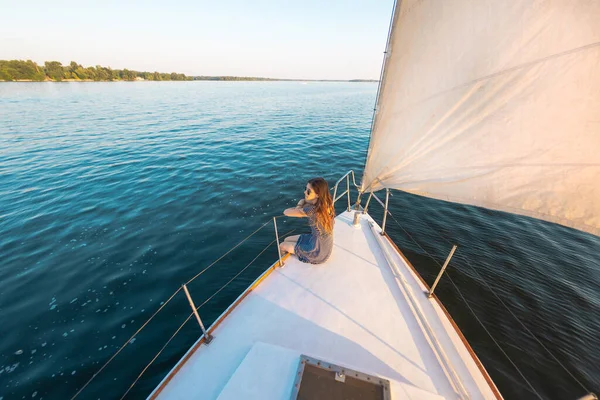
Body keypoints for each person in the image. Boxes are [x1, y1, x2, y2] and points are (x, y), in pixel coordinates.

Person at [279, 177, 335, 264]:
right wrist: (305, 203)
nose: (305, 192)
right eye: (305, 189)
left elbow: (286, 212)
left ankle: (283, 264)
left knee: (282, 246)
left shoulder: (312, 210)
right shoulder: (326, 204)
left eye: (308, 191)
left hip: (317, 251)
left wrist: (300, 203)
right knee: (287, 239)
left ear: (318, 194)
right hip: (324, 245)